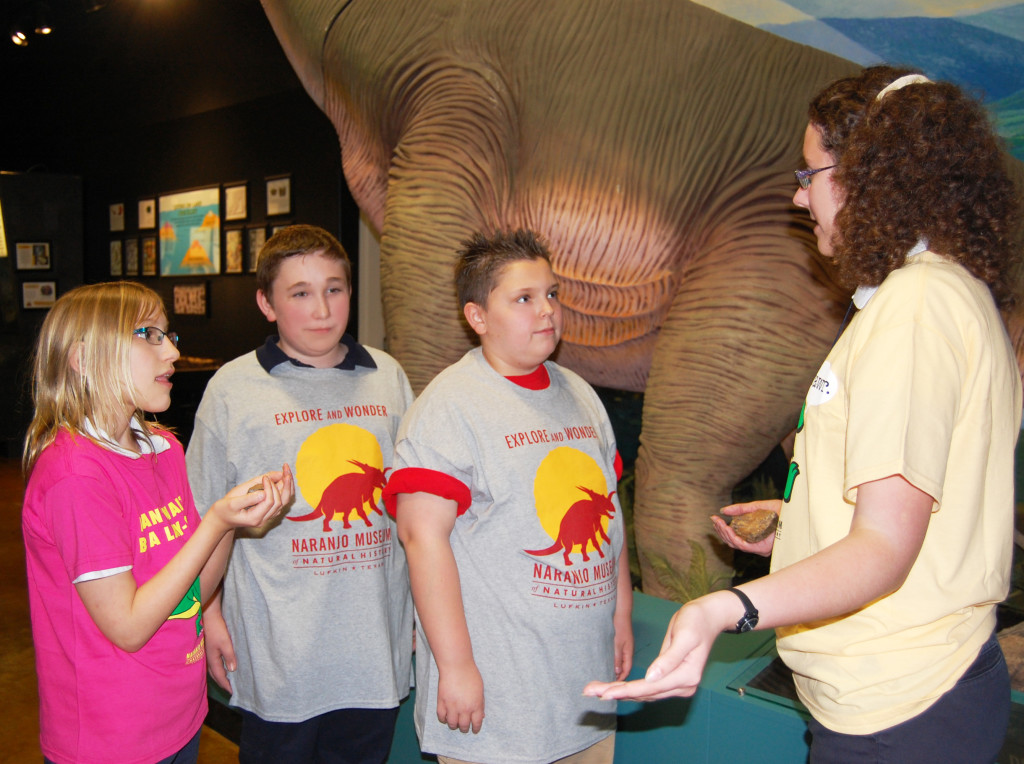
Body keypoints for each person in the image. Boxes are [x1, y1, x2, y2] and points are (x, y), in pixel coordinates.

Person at [585, 65, 1023, 762]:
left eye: (809, 172)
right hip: (919, 690)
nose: (798, 197)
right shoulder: (950, 295)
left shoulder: (915, 309)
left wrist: (726, 606)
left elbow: (885, 547)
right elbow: (923, 507)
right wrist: (801, 524)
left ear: (867, 176)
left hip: (899, 706)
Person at [383, 229, 634, 764]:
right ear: (477, 317)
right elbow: (420, 537)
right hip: (497, 703)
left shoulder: (581, 395)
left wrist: (620, 613)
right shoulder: (449, 405)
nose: (546, 311)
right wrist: (454, 668)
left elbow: (610, 516)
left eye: (552, 294)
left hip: (582, 695)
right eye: (523, 299)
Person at [21, 281, 292, 764]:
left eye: (168, 335)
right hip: (109, 741)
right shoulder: (74, 474)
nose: (170, 351)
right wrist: (214, 522)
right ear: (84, 358)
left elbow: (192, 593)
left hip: (179, 718)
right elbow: (127, 626)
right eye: (148, 334)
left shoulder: (163, 448)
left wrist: (232, 523)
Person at [186, 224, 414, 764]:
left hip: (371, 649)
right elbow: (203, 516)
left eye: (334, 289)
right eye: (300, 293)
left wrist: (418, 616)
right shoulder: (231, 390)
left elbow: (412, 508)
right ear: (267, 303)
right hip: (278, 653)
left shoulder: (390, 377)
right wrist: (211, 615)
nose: (322, 310)